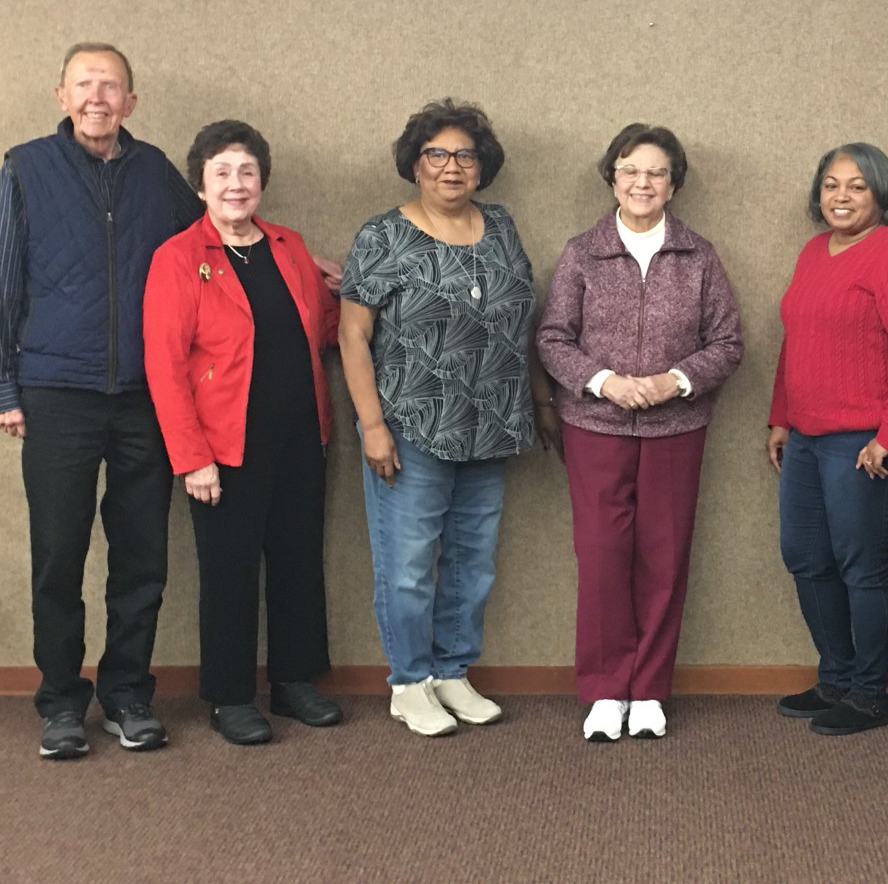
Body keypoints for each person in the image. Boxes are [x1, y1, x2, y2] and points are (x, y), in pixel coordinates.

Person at [0, 43, 205, 758]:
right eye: (84, 85)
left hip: (145, 395)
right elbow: (3, 282)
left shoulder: (155, 173)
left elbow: (208, 246)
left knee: (143, 554)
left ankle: (126, 695)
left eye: (110, 86)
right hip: (56, 391)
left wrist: (293, 261)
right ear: (61, 95)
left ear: (131, 102)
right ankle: (61, 702)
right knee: (58, 553)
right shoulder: (24, 167)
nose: (97, 97)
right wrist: (5, 387)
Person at [340, 99, 558, 738]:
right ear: (414, 165)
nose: (451, 166)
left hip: (491, 425)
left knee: (472, 560)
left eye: (465, 154)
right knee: (407, 563)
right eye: (437, 154)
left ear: (483, 167)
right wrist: (372, 426)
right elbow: (353, 336)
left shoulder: (501, 225)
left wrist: (542, 402)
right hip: (411, 424)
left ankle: (452, 672)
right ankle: (409, 681)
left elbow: (522, 324)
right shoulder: (384, 235)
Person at [538, 124, 742, 742]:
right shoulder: (582, 253)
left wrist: (675, 380)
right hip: (594, 426)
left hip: (677, 427)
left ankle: (649, 689)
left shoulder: (699, 257)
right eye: (630, 170)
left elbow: (728, 343)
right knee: (602, 557)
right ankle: (605, 691)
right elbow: (552, 340)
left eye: (656, 172)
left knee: (665, 557)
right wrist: (604, 381)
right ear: (613, 177)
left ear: (673, 184)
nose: (642, 182)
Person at [143, 120, 343, 745]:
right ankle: (230, 696)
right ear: (200, 185)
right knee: (229, 572)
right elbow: (164, 366)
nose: (237, 184)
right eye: (222, 173)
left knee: (297, 561)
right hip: (223, 448)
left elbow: (326, 328)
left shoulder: (288, 245)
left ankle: (294, 683)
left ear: (263, 181)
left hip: (301, 436)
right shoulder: (177, 257)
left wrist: (362, 296)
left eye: (248, 172)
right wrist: (191, 458)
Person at [766, 143, 888, 737]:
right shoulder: (815, 251)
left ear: (882, 193)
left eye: (857, 186)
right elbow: (798, 339)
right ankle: (836, 678)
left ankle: (870, 694)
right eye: (831, 185)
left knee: (860, 565)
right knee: (806, 557)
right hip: (811, 438)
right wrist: (781, 417)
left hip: (870, 439)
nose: (841, 196)